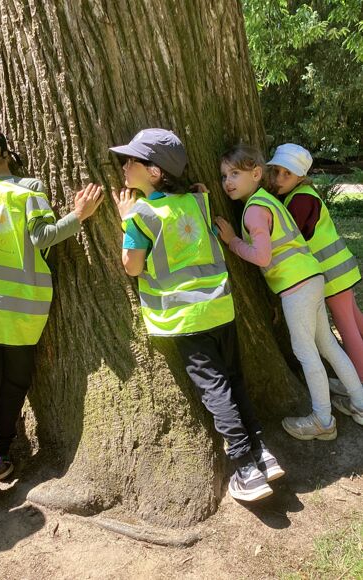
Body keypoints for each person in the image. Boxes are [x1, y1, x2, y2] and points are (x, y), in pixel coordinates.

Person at [110, 128, 284, 502]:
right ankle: (261, 452)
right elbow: (199, 197)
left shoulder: (141, 215)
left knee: (216, 390)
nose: (123, 166)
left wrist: (126, 220)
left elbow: (132, 266)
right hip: (220, 308)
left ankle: (245, 468)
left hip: (186, 320)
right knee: (234, 379)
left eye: (131, 160)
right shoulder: (198, 201)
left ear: (154, 172)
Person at [0, 122, 104, 495]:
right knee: (15, 383)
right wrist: (79, 215)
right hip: (24, 311)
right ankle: (0, 454)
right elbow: (44, 237)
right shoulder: (29, 190)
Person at [216, 144, 363, 441]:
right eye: (224, 176)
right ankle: (360, 403)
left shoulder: (254, 211)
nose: (227, 182)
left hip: (297, 288)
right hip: (313, 278)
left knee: (306, 353)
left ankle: (323, 419)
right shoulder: (268, 200)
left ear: (256, 174)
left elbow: (262, 257)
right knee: (328, 347)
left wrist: (232, 241)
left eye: (235, 174)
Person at [267, 144, 363, 424]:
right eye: (277, 171)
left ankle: (360, 388)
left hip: (331, 275)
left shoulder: (300, 200)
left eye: (287, 173)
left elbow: (289, 237)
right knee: (355, 322)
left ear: (301, 176)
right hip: (341, 270)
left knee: (348, 330)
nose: (279, 178)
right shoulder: (301, 195)